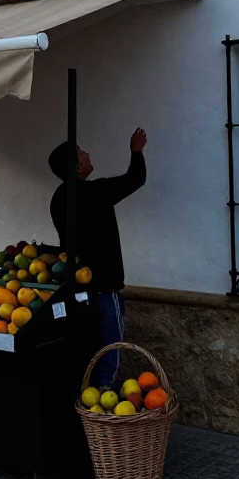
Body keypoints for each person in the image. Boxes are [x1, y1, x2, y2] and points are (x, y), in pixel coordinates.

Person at [48, 127, 147, 388]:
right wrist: (136, 151)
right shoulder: (93, 193)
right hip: (103, 287)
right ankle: (100, 406)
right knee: (108, 350)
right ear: (77, 167)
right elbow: (135, 178)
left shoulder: (58, 197)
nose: (88, 154)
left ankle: (84, 400)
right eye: (82, 153)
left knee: (86, 347)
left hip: (78, 290)